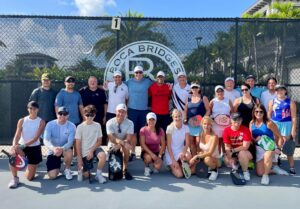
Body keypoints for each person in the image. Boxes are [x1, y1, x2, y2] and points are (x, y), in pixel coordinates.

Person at [7, 101, 45, 188]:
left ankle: (30, 165)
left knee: (30, 178)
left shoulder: (41, 122)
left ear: (37, 110)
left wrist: (21, 146)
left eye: (34, 108)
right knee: (12, 156)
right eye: (30, 108)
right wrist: (14, 146)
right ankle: (15, 178)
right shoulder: (22, 120)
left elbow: (35, 138)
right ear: (28, 109)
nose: (32, 110)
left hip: (34, 148)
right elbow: (17, 135)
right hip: (22, 147)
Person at [250, 104, 287, 185]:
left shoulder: (269, 123)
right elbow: (251, 138)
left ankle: (266, 176)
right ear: (253, 112)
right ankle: (273, 169)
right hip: (259, 148)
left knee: (268, 156)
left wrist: (279, 148)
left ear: (264, 113)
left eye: (261, 112)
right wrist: (255, 139)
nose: (258, 113)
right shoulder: (251, 123)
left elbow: (280, 137)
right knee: (259, 173)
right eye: (256, 111)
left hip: (271, 147)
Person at [268, 84, 297, 175]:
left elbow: (294, 117)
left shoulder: (290, 102)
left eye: (281, 90)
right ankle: (275, 165)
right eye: (277, 90)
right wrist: (270, 125)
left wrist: (293, 129)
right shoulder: (272, 101)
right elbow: (269, 114)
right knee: (275, 145)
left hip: (286, 125)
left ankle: (291, 167)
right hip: (275, 124)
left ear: (285, 91)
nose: (279, 92)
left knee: (287, 146)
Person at [126, 66, 152, 161]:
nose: (138, 74)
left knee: (143, 133)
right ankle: (132, 152)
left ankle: (143, 152)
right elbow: (118, 84)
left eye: (140, 72)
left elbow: (158, 85)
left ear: (143, 73)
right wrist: (105, 84)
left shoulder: (148, 82)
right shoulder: (129, 82)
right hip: (132, 110)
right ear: (134, 73)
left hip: (144, 111)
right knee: (133, 133)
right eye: (136, 72)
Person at [75, 105, 107, 183]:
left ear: (95, 115)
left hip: (94, 149)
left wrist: (91, 150)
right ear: (84, 115)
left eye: (91, 115)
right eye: (87, 115)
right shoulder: (80, 127)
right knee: (86, 176)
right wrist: (79, 159)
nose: (89, 117)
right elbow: (77, 144)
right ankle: (82, 169)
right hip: (84, 152)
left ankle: (98, 175)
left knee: (103, 155)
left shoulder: (97, 125)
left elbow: (99, 141)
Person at [43, 106, 76, 180]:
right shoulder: (50, 124)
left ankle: (67, 169)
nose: (62, 116)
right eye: (60, 113)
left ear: (68, 115)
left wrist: (61, 149)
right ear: (57, 114)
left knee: (69, 151)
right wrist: (53, 148)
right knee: (52, 176)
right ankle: (57, 164)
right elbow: (46, 140)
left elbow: (70, 142)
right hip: (53, 150)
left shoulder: (72, 126)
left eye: (65, 114)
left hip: (65, 149)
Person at [106, 103, 134, 180]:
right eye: (119, 111)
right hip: (114, 143)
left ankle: (125, 169)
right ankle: (115, 169)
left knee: (126, 149)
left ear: (126, 113)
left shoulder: (130, 123)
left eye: (123, 112)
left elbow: (128, 138)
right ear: (115, 112)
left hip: (125, 143)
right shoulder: (109, 122)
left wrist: (120, 145)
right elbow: (111, 138)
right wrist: (121, 143)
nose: (121, 114)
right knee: (115, 152)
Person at [223, 112, 253, 181]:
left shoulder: (246, 130)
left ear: (241, 120)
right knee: (226, 160)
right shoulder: (226, 130)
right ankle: (238, 163)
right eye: (235, 119)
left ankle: (245, 171)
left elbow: (245, 147)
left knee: (242, 153)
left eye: (239, 119)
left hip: (245, 152)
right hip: (234, 152)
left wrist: (232, 151)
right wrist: (229, 158)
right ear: (231, 120)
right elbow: (227, 146)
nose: (237, 121)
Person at [189, 116, 220, 181]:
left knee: (207, 160)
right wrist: (198, 156)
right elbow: (201, 150)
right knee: (190, 172)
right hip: (203, 157)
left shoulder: (214, 137)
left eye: (208, 124)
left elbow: (210, 152)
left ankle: (215, 170)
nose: (206, 126)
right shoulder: (201, 134)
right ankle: (208, 169)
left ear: (211, 125)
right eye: (204, 124)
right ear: (202, 124)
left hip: (214, 159)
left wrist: (196, 156)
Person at [184, 83, 210, 156]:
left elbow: (208, 110)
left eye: (196, 87)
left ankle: (200, 156)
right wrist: (185, 119)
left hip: (200, 124)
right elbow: (185, 111)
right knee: (191, 142)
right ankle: (195, 157)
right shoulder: (187, 99)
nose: (194, 89)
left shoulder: (203, 98)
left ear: (199, 89)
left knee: (199, 142)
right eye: (193, 88)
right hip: (190, 124)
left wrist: (203, 120)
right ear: (191, 89)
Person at [164, 109, 191, 178]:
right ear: (173, 117)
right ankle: (171, 166)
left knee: (188, 156)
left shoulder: (186, 128)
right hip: (171, 153)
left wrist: (183, 152)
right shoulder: (169, 128)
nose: (178, 118)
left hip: (180, 151)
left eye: (179, 116)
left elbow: (187, 143)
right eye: (176, 117)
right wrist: (173, 160)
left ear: (181, 116)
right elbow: (169, 146)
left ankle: (181, 162)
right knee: (180, 175)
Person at [140, 112, 166, 176]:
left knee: (157, 167)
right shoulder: (143, 130)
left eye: (153, 120)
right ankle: (147, 167)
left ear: (156, 120)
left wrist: (159, 156)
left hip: (157, 151)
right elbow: (142, 144)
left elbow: (163, 144)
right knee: (148, 158)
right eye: (150, 120)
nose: (151, 121)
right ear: (147, 120)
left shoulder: (160, 130)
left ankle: (154, 166)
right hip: (147, 151)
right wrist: (152, 155)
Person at [209, 85, 232, 154]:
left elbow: (233, 111)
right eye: (218, 91)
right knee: (217, 141)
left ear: (223, 92)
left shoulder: (228, 100)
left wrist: (230, 120)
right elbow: (209, 112)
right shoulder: (212, 101)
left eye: (221, 91)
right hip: (216, 125)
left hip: (227, 124)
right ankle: (218, 157)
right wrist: (213, 119)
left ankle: (226, 157)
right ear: (215, 93)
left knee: (226, 141)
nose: (220, 93)